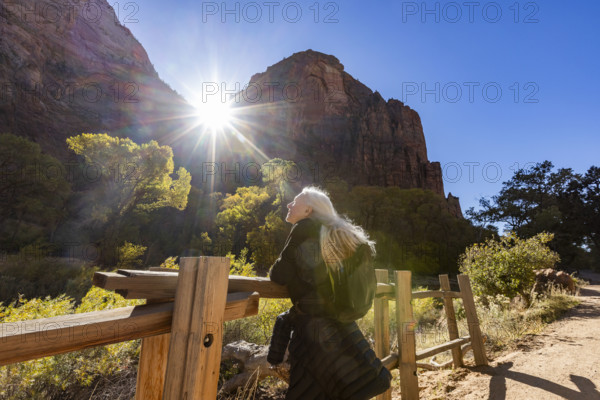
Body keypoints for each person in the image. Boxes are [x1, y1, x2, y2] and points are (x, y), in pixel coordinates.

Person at [268, 186, 391, 400]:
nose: (288, 205)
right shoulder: (336, 233)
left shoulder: (304, 228)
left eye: (294, 201)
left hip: (312, 333)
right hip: (338, 326)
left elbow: (278, 276)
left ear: (308, 211)